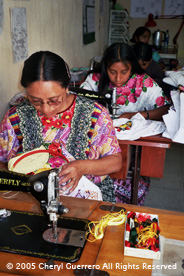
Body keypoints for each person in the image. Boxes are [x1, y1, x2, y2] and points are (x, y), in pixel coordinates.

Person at [0, 51, 122, 203]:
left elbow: (116, 162)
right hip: (31, 199)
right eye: (35, 101)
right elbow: (2, 162)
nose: (46, 109)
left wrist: (82, 167)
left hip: (86, 199)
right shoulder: (14, 118)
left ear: (66, 87)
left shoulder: (95, 114)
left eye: (54, 100)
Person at [80, 42, 170, 205]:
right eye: (112, 72)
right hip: (97, 148)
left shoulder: (143, 83)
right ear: (105, 67)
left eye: (124, 72)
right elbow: (80, 104)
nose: (118, 78)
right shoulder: (95, 80)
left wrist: (139, 114)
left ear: (132, 67)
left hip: (130, 148)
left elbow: (165, 108)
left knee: (131, 175)